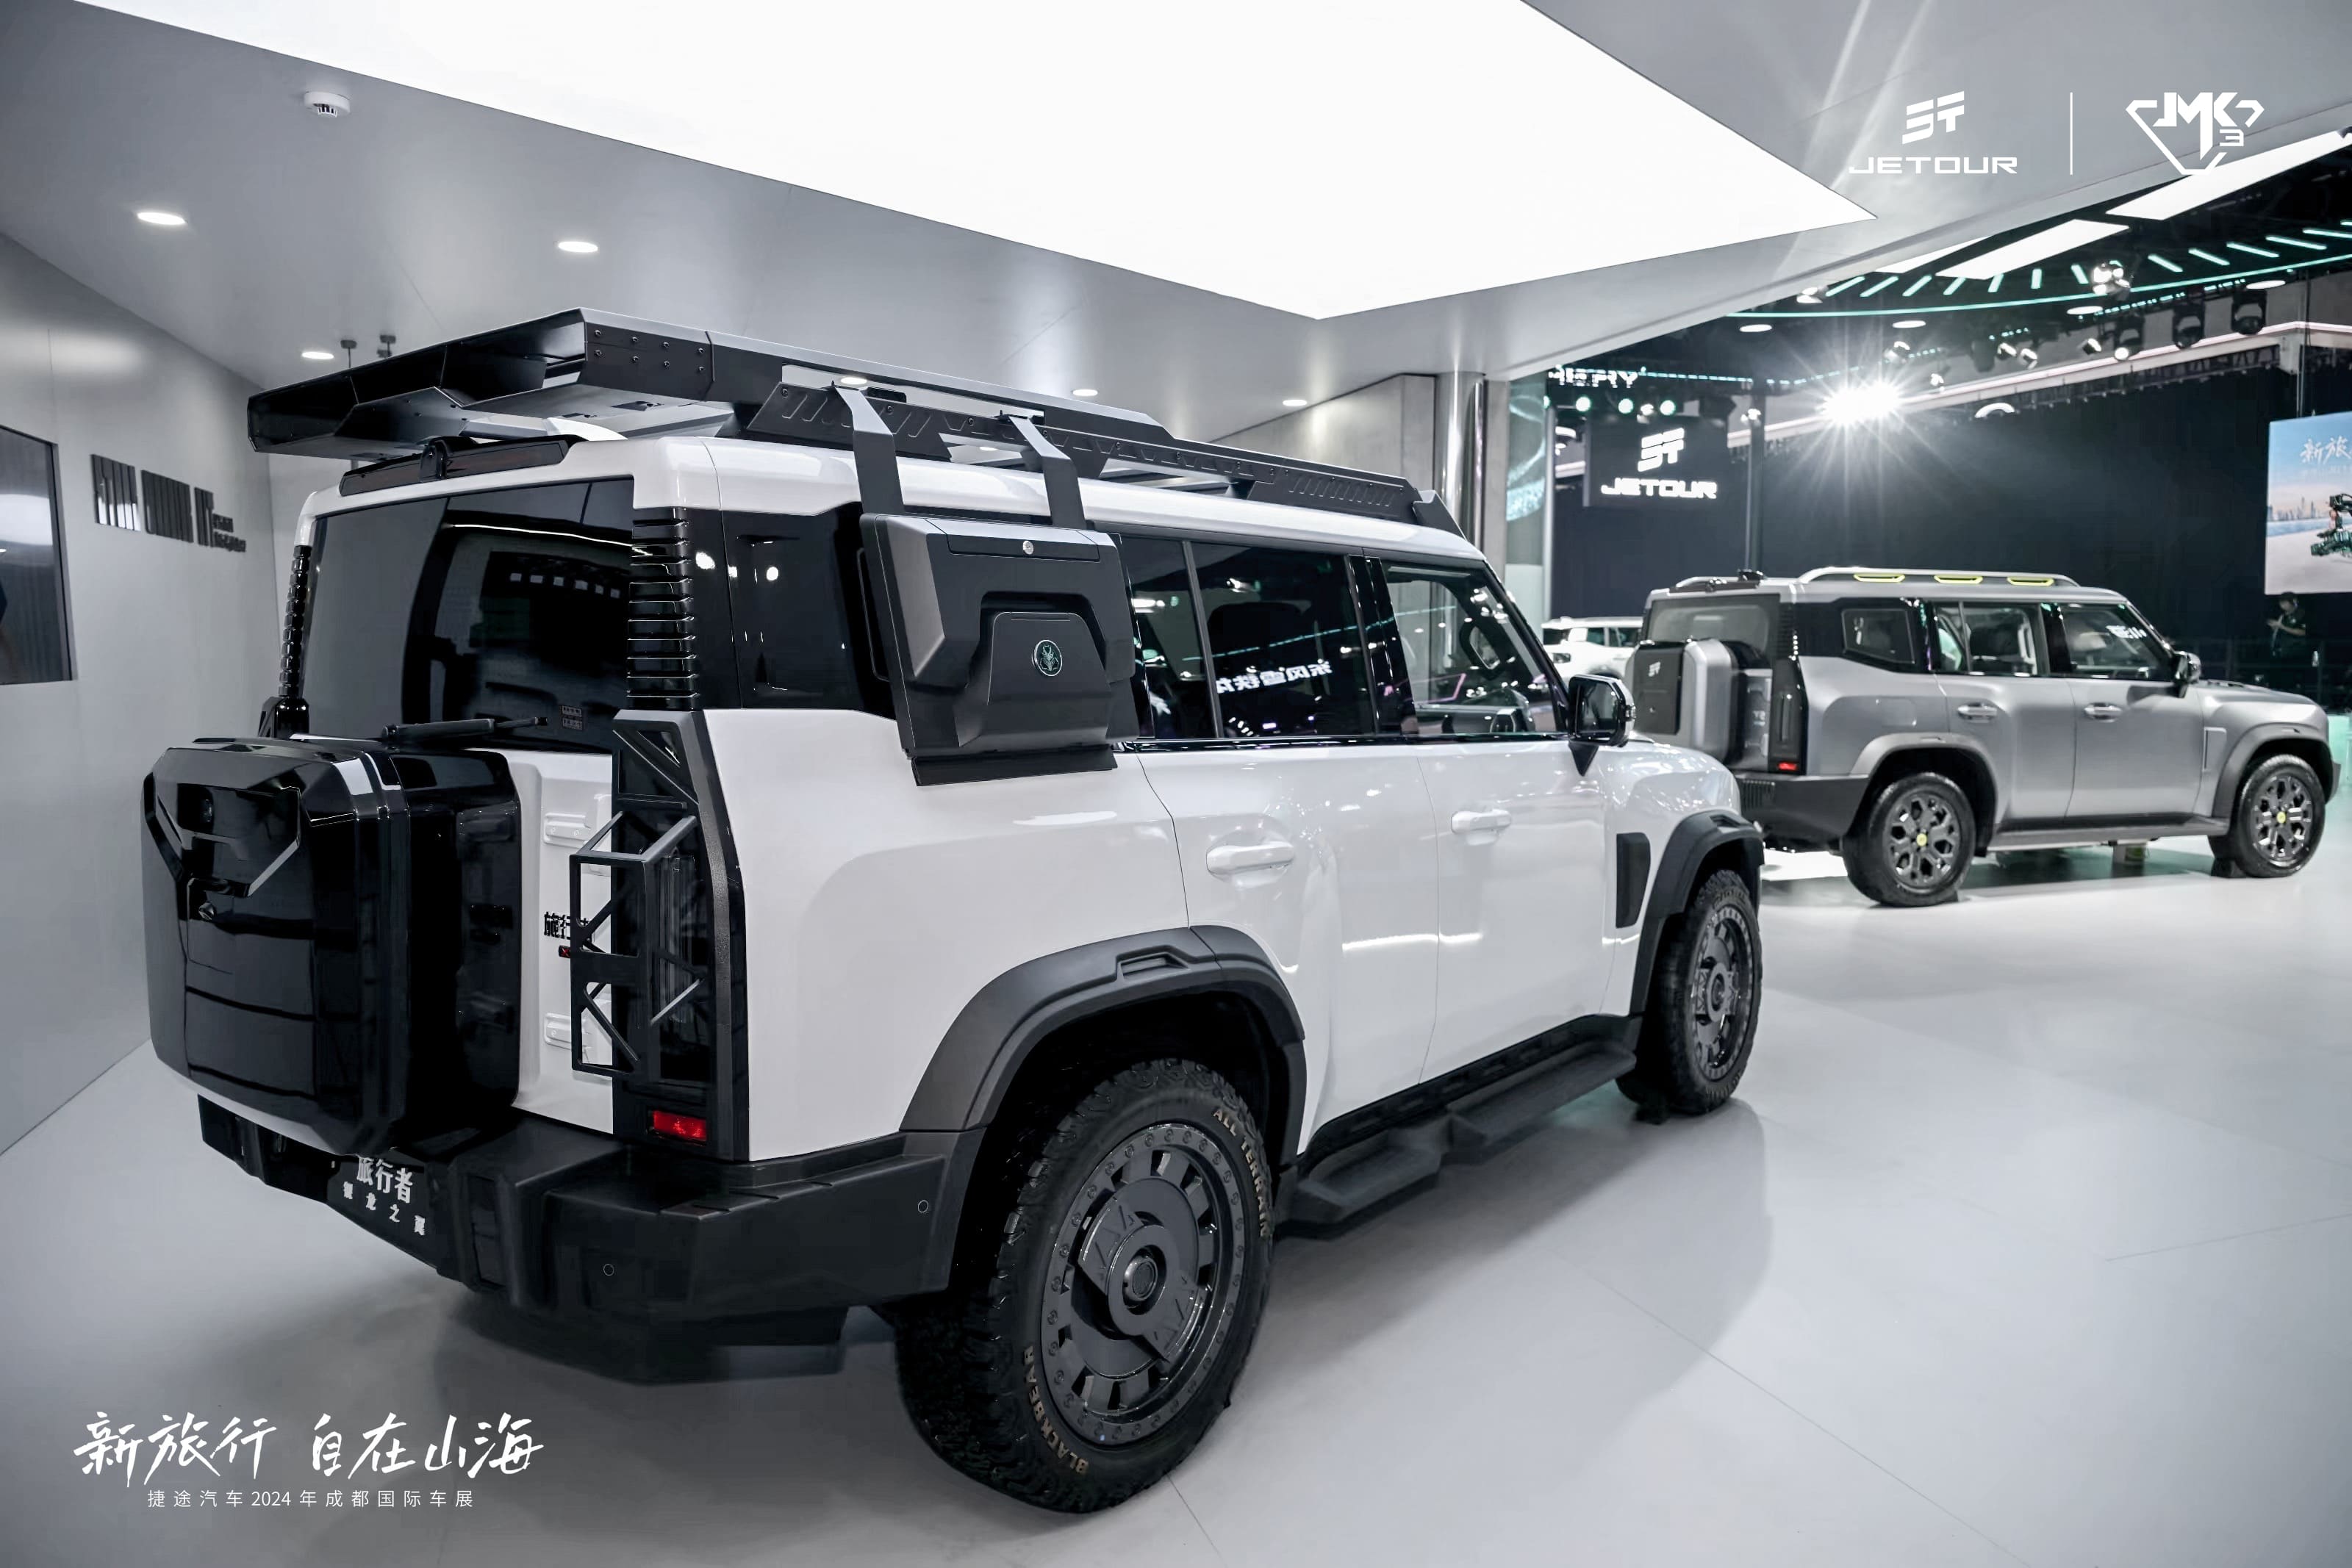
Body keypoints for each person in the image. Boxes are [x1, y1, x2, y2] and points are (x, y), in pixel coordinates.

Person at [2268, 592, 2309, 663]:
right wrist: (2275, 628)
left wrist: (2282, 627)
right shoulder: (2282, 615)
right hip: (2282, 652)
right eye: (2281, 603)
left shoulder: (2301, 613)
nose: (2282, 605)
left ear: (2293, 601)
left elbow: (2303, 632)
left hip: (2296, 652)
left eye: (2284, 602)